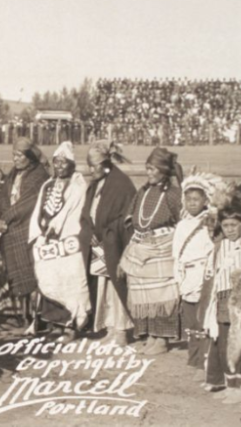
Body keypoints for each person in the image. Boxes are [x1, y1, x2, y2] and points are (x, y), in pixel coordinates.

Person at [120, 148, 187, 355]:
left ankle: (162, 340)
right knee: (144, 296)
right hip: (142, 247)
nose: (148, 173)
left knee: (162, 295)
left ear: (164, 171)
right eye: (147, 168)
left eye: (152, 169)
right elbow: (133, 217)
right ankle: (150, 336)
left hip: (162, 249)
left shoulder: (174, 194)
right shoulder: (143, 191)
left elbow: (183, 221)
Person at [30, 142, 92, 339]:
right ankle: (54, 322)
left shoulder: (79, 186)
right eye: (56, 162)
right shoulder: (47, 185)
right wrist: (39, 232)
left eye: (63, 162)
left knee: (71, 281)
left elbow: (73, 212)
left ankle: (72, 325)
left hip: (69, 241)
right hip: (48, 242)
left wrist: (58, 228)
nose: (59, 166)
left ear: (72, 165)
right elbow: (38, 210)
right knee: (50, 279)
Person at [203, 185, 241, 405]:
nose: (230, 230)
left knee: (240, 342)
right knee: (224, 341)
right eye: (226, 225)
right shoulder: (220, 245)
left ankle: (240, 387)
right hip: (221, 299)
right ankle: (228, 383)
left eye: (235, 225)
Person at [83, 142, 138, 345]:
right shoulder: (98, 182)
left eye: (94, 166)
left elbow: (125, 217)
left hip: (115, 242)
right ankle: (111, 327)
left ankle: (122, 329)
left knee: (117, 286)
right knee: (104, 285)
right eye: (89, 165)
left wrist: (106, 232)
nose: (90, 170)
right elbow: (89, 211)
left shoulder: (120, 184)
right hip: (101, 241)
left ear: (105, 164)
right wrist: (91, 231)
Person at [175, 172, 225, 383]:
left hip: (204, 275)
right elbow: (176, 253)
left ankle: (204, 362)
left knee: (202, 319)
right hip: (186, 276)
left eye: (196, 199)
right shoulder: (181, 225)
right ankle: (193, 357)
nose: (192, 203)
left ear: (205, 200)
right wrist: (178, 277)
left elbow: (213, 249)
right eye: (188, 199)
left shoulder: (209, 223)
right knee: (190, 321)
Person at [0, 140, 50, 333]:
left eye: (19, 155)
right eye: (14, 155)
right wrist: (0, 219)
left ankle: (37, 319)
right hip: (11, 230)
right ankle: (25, 316)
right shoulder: (12, 174)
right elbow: (3, 197)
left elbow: (28, 202)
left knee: (32, 277)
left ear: (29, 157)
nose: (15, 159)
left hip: (28, 230)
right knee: (18, 277)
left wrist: (6, 218)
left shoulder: (39, 176)